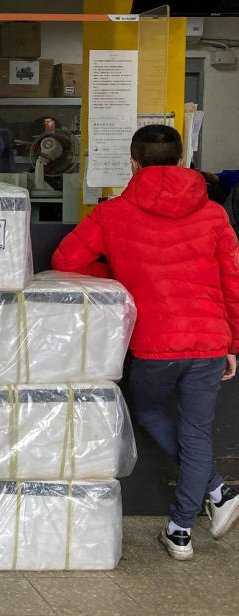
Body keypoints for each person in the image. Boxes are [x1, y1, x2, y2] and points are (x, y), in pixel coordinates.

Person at [51, 124, 239, 560]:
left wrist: (118, 281)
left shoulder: (112, 213)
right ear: (181, 160)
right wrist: (233, 342)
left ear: (133, 163)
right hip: (209, 340)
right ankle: (182, 529)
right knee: (197, 432)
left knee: (151, 410)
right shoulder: (214, 214)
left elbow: (66, 260)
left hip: (152, 343)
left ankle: (216, 490)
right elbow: (232, 280)